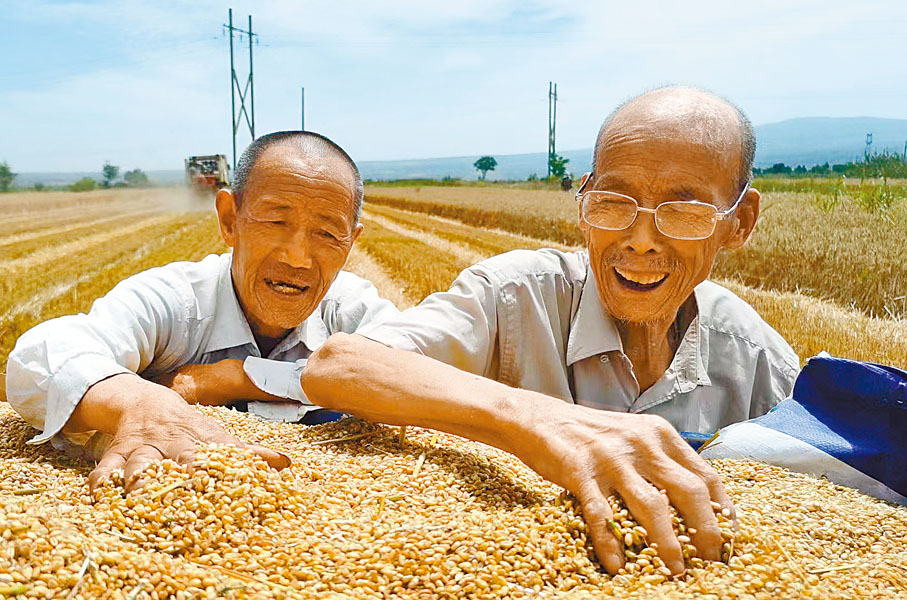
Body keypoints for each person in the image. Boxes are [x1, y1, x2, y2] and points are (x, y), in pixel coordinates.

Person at [295, 86, 800, 575]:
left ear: (740, 221)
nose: (641, 240)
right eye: (614, 202)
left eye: (684, 212)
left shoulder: (759, 364)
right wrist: (540, 421)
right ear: (584, 200)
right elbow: (339, 366)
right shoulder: (514, 297)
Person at [5, 131, 400, 490]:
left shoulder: (351, 310)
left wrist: (234, 379)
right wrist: (140, 403)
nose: (298, 258)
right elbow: (41, 358)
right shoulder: (176, 300)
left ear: (350, 244)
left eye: (328, 234)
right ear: (230, 220)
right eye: (276, 221)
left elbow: (415, 373)